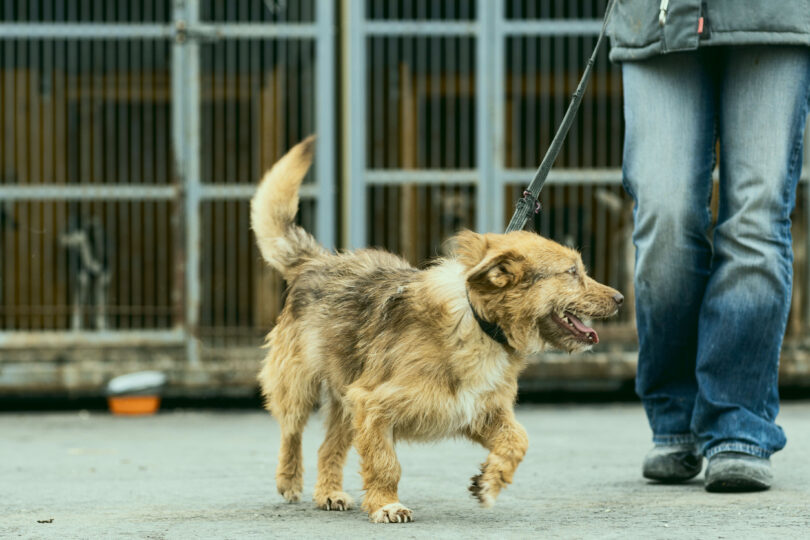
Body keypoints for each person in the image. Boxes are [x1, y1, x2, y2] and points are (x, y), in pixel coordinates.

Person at [608, 0, 810, 491]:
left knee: (757, 217)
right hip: (655, 16)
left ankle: (738, 423)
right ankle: (676, 415)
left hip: (775, 16)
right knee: (665, 211)